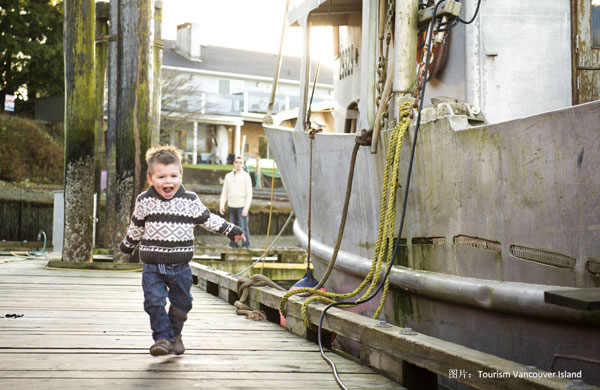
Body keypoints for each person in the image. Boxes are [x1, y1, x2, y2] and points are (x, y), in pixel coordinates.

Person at [120, 145, 245, 357]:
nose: (168, 182)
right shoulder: (144, 201)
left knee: (183, 304)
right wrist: (128, 244)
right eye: (161, 177)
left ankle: (175, 335)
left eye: (173, 176)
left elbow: (208, 220)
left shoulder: (190, 201)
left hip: (181, 267)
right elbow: (137, 226)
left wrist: (231, 230)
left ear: (181, 175)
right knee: (154, 301)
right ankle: (163, 338)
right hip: (152, 265)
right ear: (151, 179)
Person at [219, 156, 252, 249]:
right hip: (231, 206)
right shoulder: (228, 176)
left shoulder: (246, 176)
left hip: (241, 206)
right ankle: (233, 244)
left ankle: (246, 245)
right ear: (233, 163)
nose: (238, 164)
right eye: (236, 162)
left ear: (243, 164)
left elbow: (249, 194)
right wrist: (222, 204)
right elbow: (224, 192)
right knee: (231, 228)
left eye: (240, 162)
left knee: (243, 227)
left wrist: (246, 208)